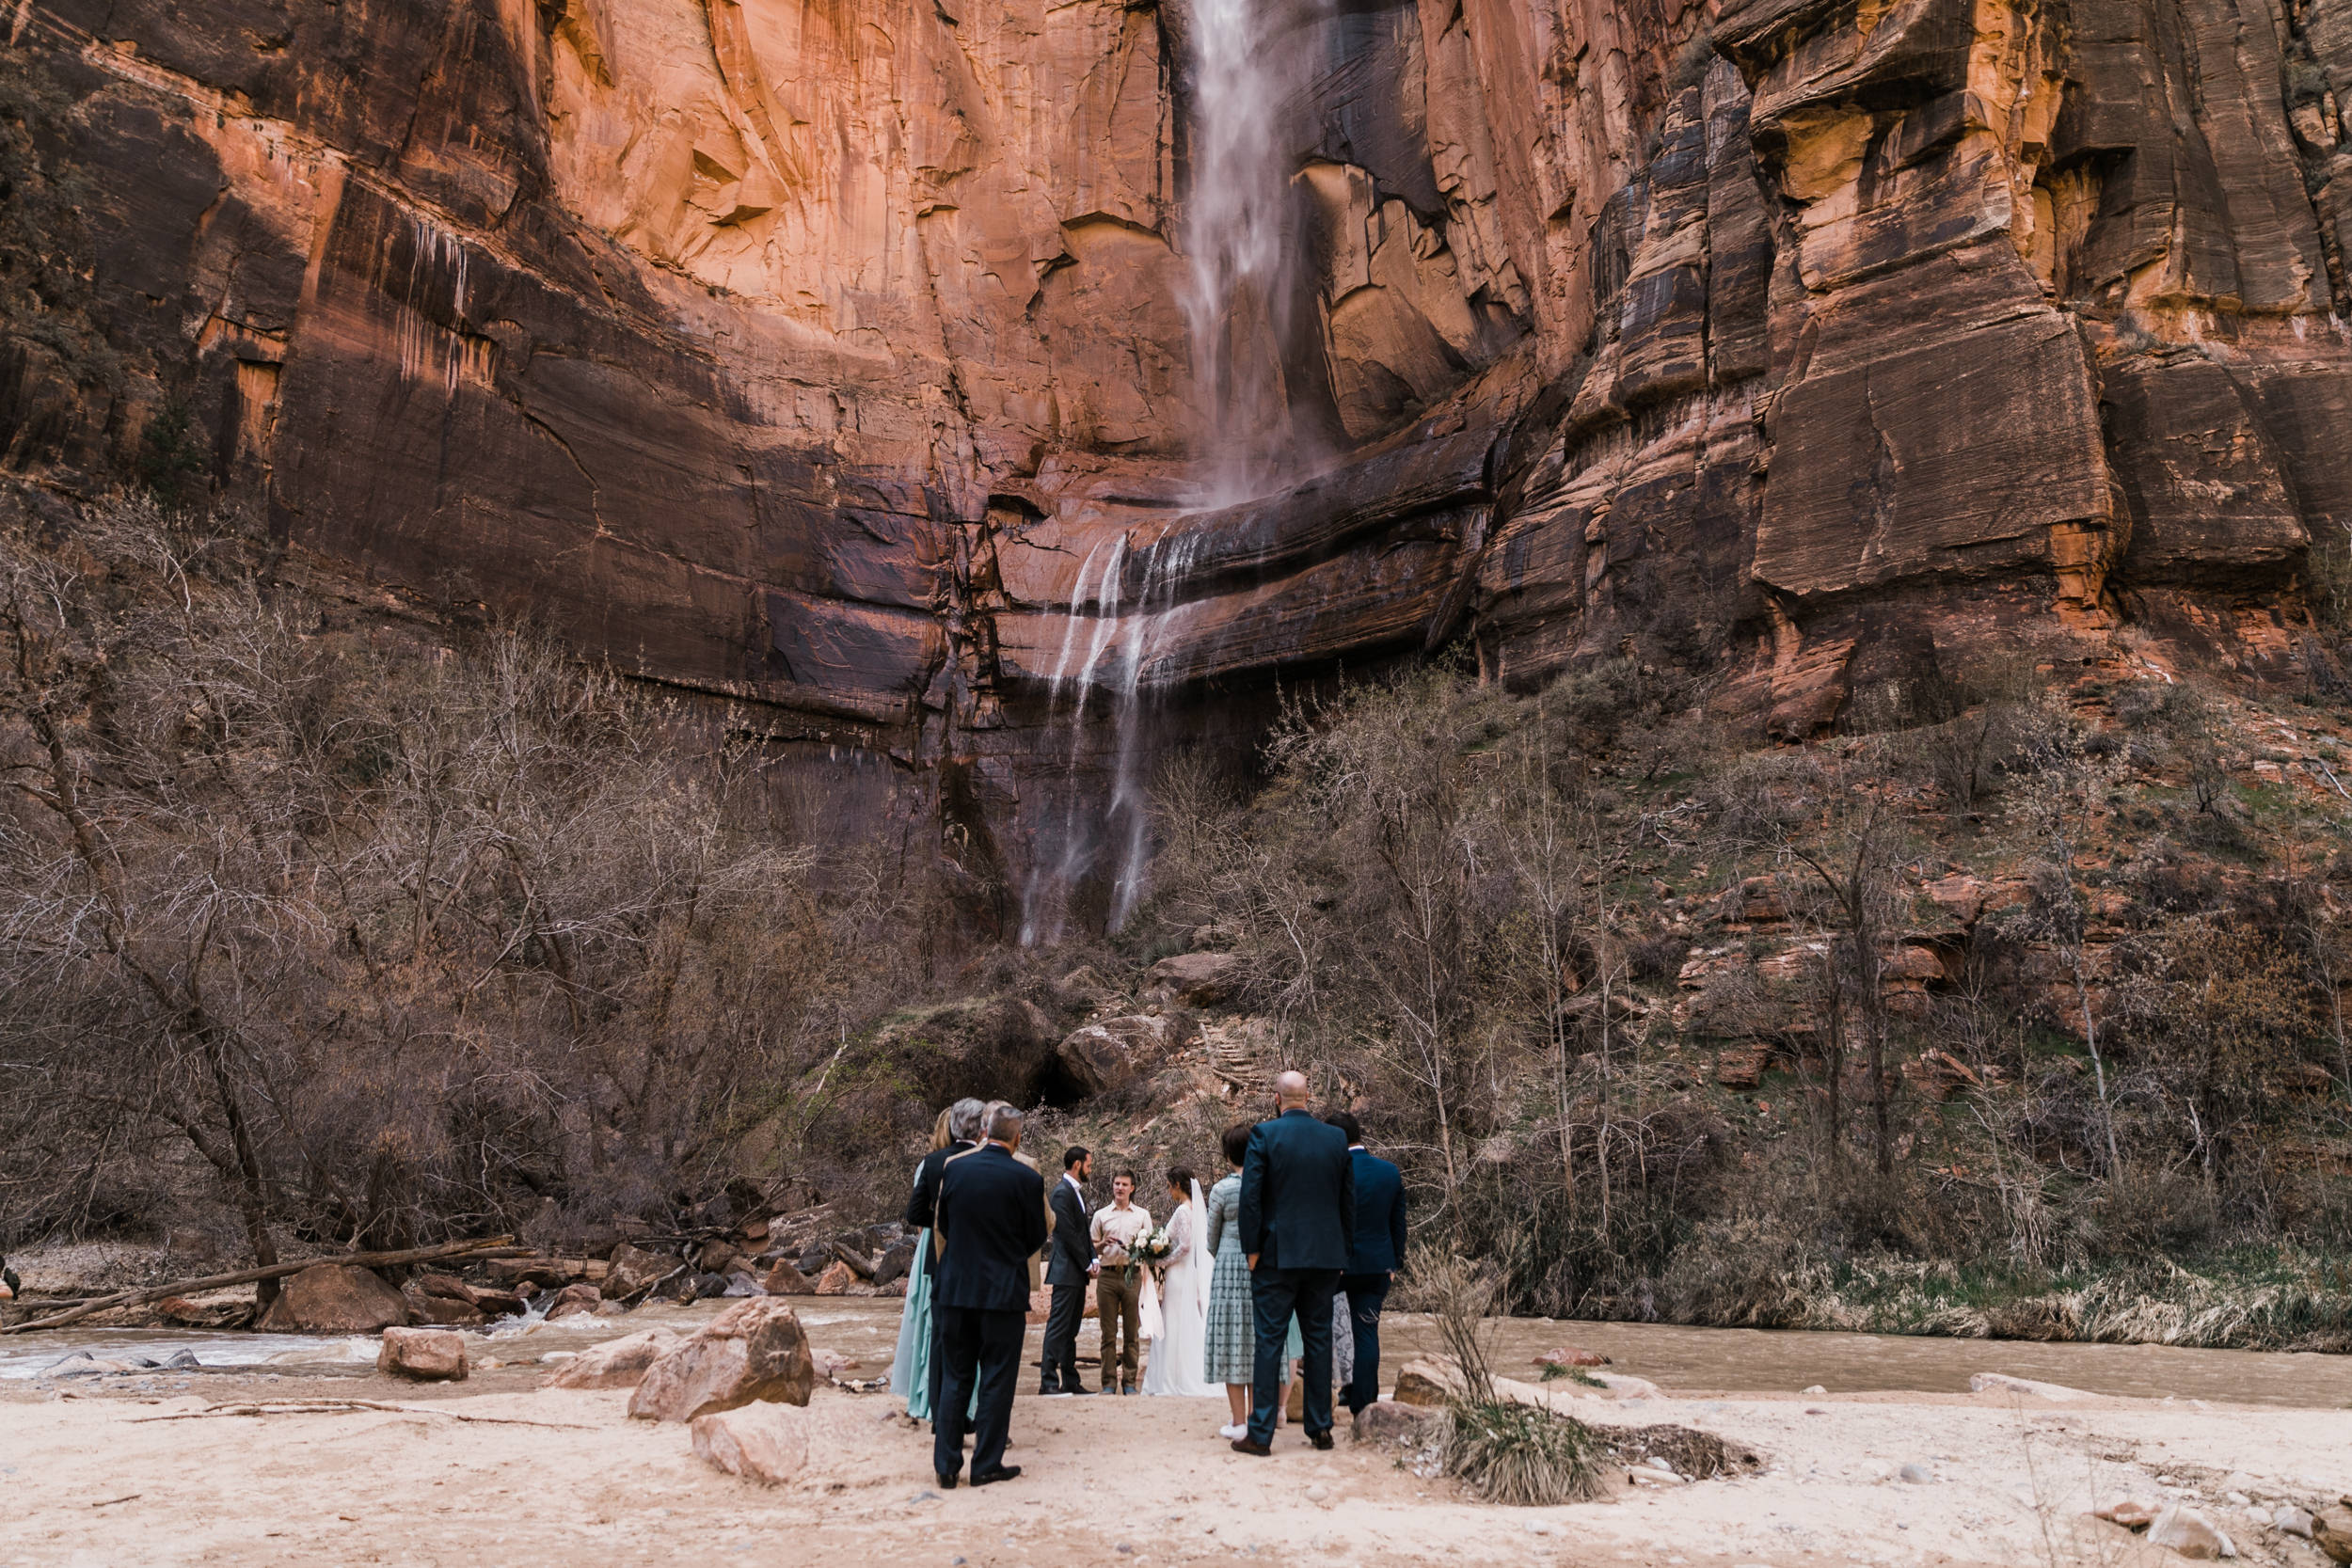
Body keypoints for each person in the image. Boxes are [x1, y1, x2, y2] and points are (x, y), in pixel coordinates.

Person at [1233, 1069, 1354, 1455]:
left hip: (1276, 1257)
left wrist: (1251, 1250)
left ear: (1276, 1099)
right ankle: (1320, 1428)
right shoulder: (1336, 1138)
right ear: (1309, 1097)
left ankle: (1261, 1434)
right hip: (1324, 1257)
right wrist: (1343, 1253)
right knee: (1319, 1341)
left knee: (1269, 1341)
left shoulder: (1264, 1134)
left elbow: (1250, 1196)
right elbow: (1347, 1200)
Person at [931, 1103, 1048, 1489]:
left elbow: (943, 1224)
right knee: (996, 1379)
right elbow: (1036, 1237)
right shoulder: (1027, 1179)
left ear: (985, 1132)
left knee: (955, 1377)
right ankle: (986, 1464)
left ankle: (947, 1466)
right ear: (1016, 1138)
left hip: (957, 1289)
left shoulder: (955, 1169)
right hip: (1003, 1293)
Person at [893, 1098, 986, 1420]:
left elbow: (915, 1213)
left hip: (935, 1252)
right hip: (972, 1255)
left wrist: (941, 1219)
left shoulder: (931, 1163)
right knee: (973, 1334)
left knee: (937, 1331)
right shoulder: (985, 1161)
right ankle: (967, 1408)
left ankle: (935, 1406)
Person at [1203, 1122, 1298, 1437]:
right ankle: (1260, 1417)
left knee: (1233, 1342)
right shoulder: (1271, 1186)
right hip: (1267, 1268)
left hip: (1230, 1265)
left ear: (1228, 1154)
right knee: (1261, 1341)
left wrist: (1227, 1253)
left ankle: (1238, 1423)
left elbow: (1210, 1240)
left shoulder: (1222, 1189)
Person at [1327, 1108, 1407, 1416]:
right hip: (1377, 1266)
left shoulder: (1331, 1174)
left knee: (1328, 1331)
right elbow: (1398, 1224)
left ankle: (1331, 1397)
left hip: (1336, 1266)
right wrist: (1394, 1264)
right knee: (1366, 1333)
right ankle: (1364, 1403)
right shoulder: (1389, 1172)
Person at [1139, 1165, 1216, 1399]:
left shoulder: (1183, 1211)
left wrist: (1162, 1261)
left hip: (1179, 1274)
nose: (1168, 1189)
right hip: (1186, 1274)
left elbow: (1184, 1246)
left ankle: (1173, 1379)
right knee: (1181, 1321)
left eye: (1169, 1185)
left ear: (1178, 1185)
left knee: (1173, 1322)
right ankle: (1181, 1373)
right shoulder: (1195, 1210)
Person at [1090, 1171, 1152, 1394]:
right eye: (1117, 1183)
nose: (1120, 1187)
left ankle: (1129, 1382)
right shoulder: (1101, 1215)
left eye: (1124, 1184)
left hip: (1132, 1275)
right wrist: (1101, 1244)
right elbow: (1090, 1245)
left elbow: (1150, 1247)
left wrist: (1135, 1249)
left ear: (1132, 1188)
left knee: (1131, 1333)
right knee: (1107, 1333)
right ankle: (1108, 1383)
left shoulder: (1142, 1215)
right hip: (1106, 1275)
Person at [1041, 1145, 1095, 1396]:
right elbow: (1067, 1234)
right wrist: (1086, 1262)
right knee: (1058, 1327)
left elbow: (1083, 1233)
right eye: (1088, 1165)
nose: (1089, 1170)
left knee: (1071, 1329)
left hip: (1076, 1272)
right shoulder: (1061, 1193)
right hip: (1066, 1270)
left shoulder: (1075, 1193)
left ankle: (1071, 1381)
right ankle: (1048, 1381)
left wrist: (1093, 1259)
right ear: (1077, 1165)